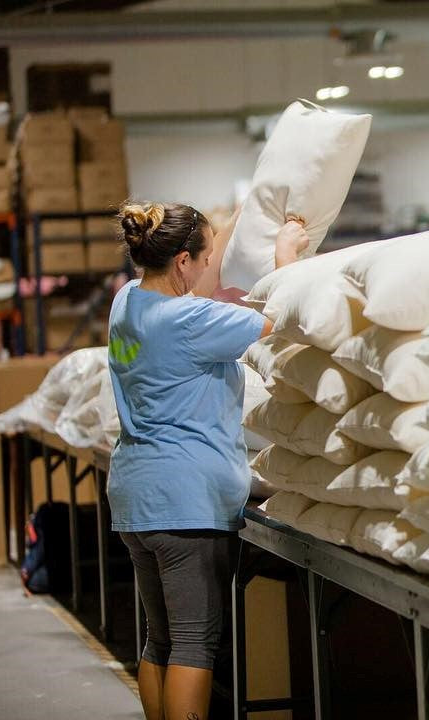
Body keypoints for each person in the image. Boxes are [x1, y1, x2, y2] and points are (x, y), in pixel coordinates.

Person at [107, 201, 307, 720]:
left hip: (136, 495)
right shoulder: (193, 319)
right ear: (182, 262)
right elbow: (286, 320)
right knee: (196, 643)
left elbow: (200, 279)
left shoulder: (127, 303)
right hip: (187, 501)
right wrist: (287, 255)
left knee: (161, 639)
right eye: (206, 255)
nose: (209, 264)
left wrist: (247, 212)